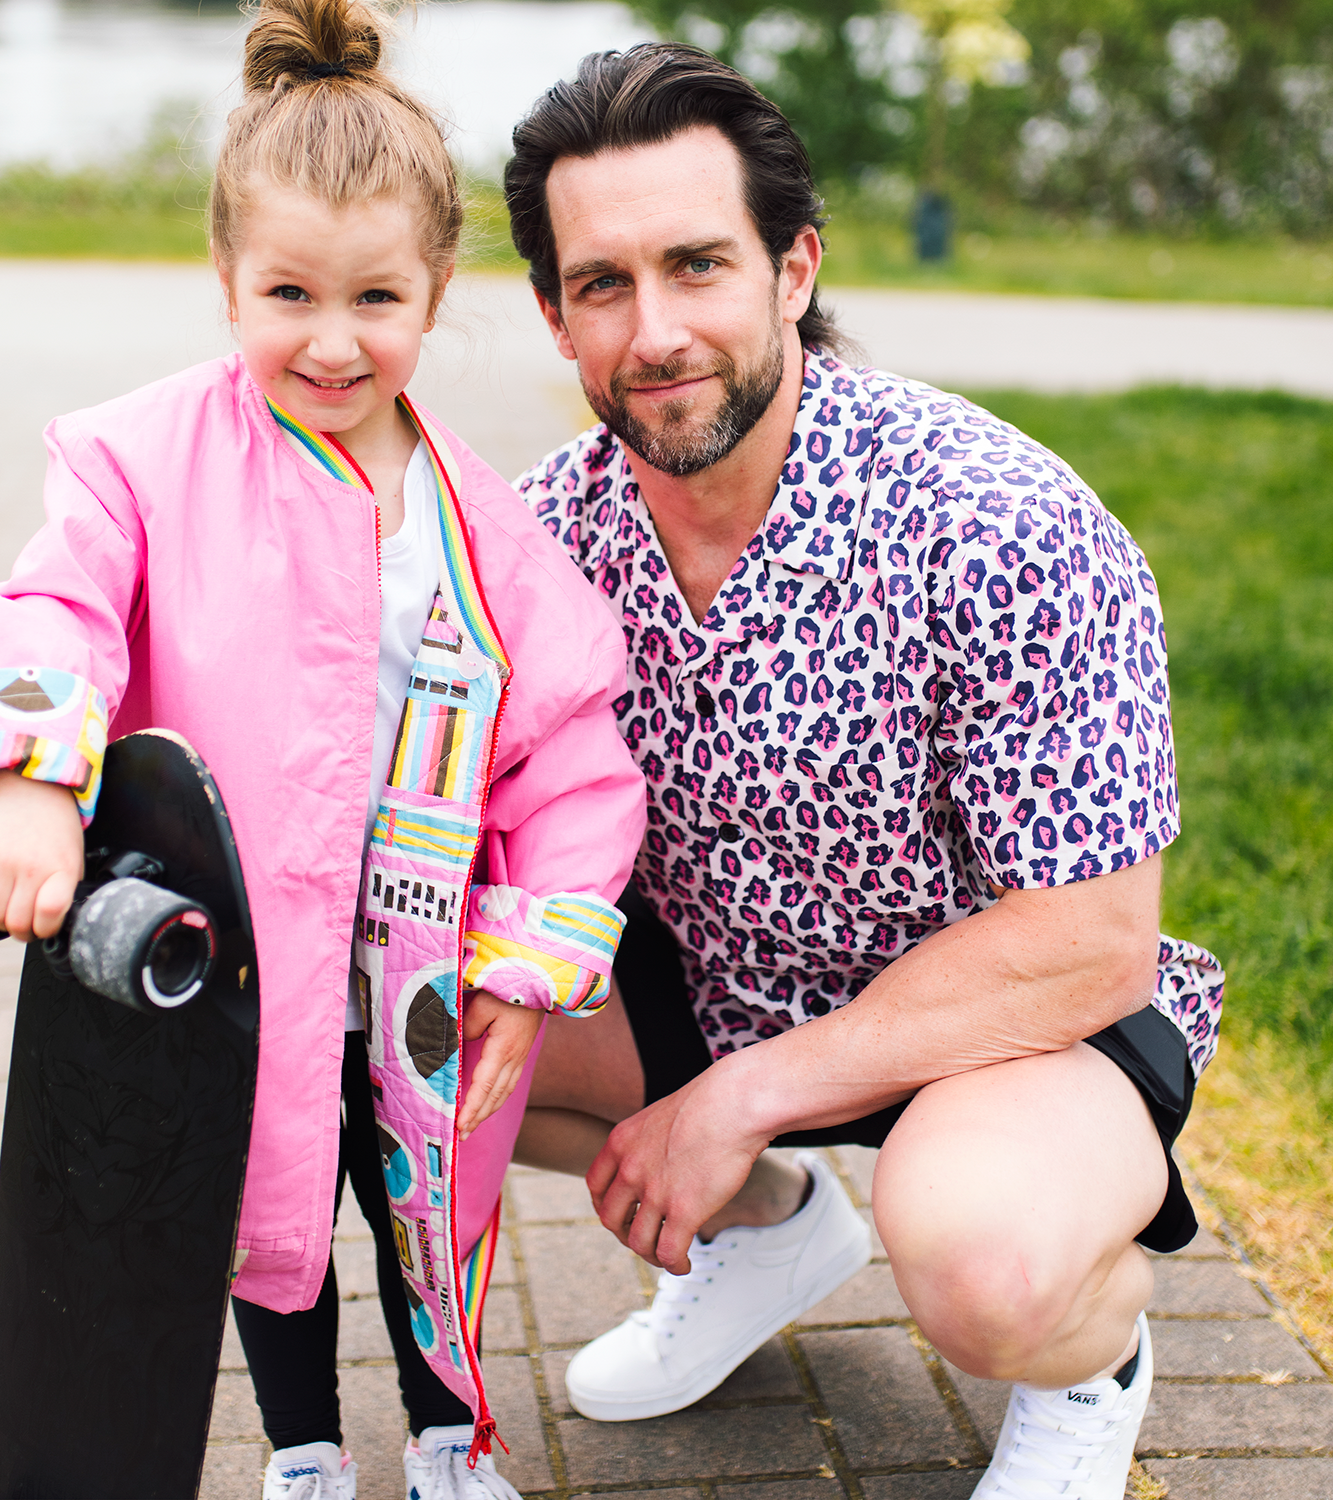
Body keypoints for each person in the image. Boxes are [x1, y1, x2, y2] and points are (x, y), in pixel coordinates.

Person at [0, 5, 645, 1497]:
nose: (332, 340)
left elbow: (568, 752)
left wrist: (529, 957)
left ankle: (452, 1439)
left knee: (425, 1204)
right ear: (225, 279)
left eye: (377, 298)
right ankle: (304, 1450)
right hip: (239, 956)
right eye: (288, 292)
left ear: (436, 293)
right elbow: (53, 607)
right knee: (256, 1208)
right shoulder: (141, 462)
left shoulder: (488, 533)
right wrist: (34, 778)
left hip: (420, 962)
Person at [502, 44, 1225, 1500]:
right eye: (603, 284)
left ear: (794, 269)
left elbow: (1089, 946)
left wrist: (735, 1099)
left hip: (1011, 1029)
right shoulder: (534, 543)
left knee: (983, 1263)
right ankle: (772, 1230)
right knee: (416, 1035)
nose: (656, 331)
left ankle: (1087, 1362)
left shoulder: (998, 522)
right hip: (715, 989)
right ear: (555, 316)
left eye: (698, 264)